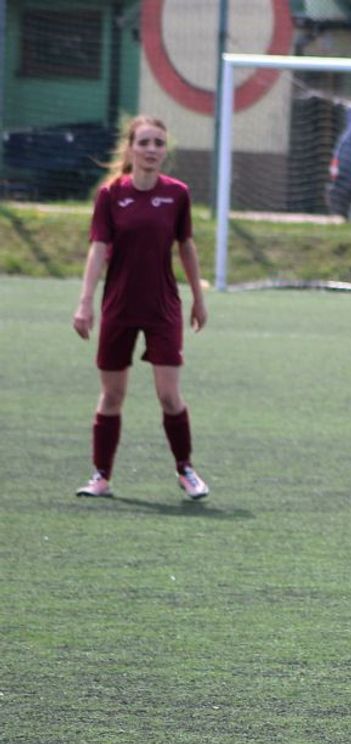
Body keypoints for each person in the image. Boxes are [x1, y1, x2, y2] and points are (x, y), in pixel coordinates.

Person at [72, 115, 209, 501]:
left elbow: (186, 246)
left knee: (169, 396)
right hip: (119, 306)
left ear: (165, 150)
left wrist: (199, 299)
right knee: (112, 396)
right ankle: (101, 476)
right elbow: (98, 249)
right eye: (144, 142)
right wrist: (85, 303)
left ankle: (185, 470)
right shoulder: (110, 195)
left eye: (158, 143)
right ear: (130, 148)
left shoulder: (177, 194)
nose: (151, 150)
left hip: (163, 307)